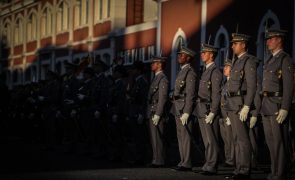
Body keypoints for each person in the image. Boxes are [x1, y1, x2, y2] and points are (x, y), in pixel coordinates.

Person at [261, 29, 294, 180]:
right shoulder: (270, 60)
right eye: (267, 39)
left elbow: (289, 85)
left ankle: (281, 173)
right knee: (270, 141)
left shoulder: (284, 59)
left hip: (277, 105)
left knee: (280, 141)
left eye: (271, 39)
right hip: (267, 104)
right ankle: (274, 171)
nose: (268, 42)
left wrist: (285, 107)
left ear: (279, 40)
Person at [224, 33, 258, 180]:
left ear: (243, 45)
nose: (232, 46)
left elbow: (251, 86)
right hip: (232, 104)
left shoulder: (248, 61)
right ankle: (238, 169)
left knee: (243, 139)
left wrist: (247, 105)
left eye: (235, 43)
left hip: (239, 104)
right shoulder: (237, 62)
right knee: (237, 139)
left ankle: (244, 170)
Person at [195, 43, 222, 175]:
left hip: (208, 108)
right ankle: (208, 163)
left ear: (211, 55)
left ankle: (212, 165)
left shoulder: (215, 71)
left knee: (211, 139)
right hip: (201, 108)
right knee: (206, 139)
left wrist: (213, 111)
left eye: (204, 53)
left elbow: (216, 94)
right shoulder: (206, 70)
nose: (202, 55)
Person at [171, 46, 197, 171]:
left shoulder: (190, 72)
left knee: (185, 136)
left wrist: (187, 112)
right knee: (180, 136)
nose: (179, 57)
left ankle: (187, 162)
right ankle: (182, 161)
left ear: (188, 58)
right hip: (177, 107)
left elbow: (190, 94)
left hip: (184, 109)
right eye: (179, 55)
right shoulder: (181, 71)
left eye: (182, 55)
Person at [146, 55, 169, 168]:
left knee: (158, 137)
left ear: (159, 64)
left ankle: (159, 160)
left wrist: (158, 114)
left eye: (154, 63)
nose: (152, 65)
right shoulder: (155, 78)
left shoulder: (162, 79)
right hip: (152, 110)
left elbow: (162, 98)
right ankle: (156, 159)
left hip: (157, 111)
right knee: (153, 137)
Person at [219, 59, 235, 168]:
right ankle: (228, 158)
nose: (224, 68)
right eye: (224, 66)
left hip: (229, 115)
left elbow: (232, 100)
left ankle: (232, 160)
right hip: (224, 115)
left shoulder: (232, 83)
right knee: (226, 139)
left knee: (231, 139)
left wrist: (229, 115)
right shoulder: (226, 82)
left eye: (227, 67)